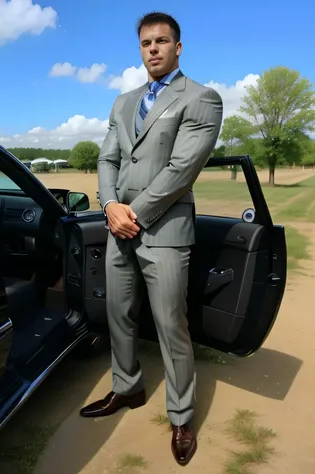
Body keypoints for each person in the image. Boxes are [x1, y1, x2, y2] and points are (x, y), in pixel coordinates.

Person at [80, 11, 223, 466]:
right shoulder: (123, 102)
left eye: (162, 41)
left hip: (163, 230)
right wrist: (108, 207)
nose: (154, 49)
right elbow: (107, 160)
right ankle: (128, 387)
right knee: (118, 315)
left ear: (178, 47)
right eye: (146, 43)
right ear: (140, 49)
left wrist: (132, 214)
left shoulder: (202, 98)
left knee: (170, 325)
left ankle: (181, 416)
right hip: (117, 223)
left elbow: (182, 170)